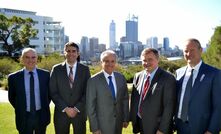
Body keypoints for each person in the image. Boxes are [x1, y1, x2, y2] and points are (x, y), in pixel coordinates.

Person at [175, 38, 221, 134]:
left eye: (192, 50)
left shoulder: (214, 73)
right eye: (186, 51)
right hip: (180, 127)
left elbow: (218, 106)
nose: (188, 54)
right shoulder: (178, 73)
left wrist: (212, 130)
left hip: (202, 128)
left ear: (200, 50)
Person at [130, 48, 176, 134]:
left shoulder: (168, 78)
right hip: (140, 124)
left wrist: (162, 129)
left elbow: (169, 107)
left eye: (150, 59)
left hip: (158, 127)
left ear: (157, 60)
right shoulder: (138, 76)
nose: (146, 63)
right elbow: (134, 100)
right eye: (144, 60)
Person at [49, 42, 90, 134]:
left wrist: (76, 108)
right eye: (68, 51)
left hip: (79, 114)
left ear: (78, 53)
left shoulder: (85, 69)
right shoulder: (56, 69)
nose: (71, 53)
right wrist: (65, 108)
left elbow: (87, 92)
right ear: (64, 53)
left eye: (73, 51)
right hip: (61, 114)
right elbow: (53, 91)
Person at [8, 48, 51, 134]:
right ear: (22, 59)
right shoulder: (13, 77)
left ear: (37, 59)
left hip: (41, 116)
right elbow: (12, 98)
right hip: (24, 117)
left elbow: (49, 95)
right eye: (27, 57)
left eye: (33, 57)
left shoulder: (46, 75)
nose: (30, 60)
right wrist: (21, 108)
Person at [86, 50, 129, 134]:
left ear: (115, 62)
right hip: (102, 125)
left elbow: (125, 99)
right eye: (106, 61)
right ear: (101, 62)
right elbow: (90, 106)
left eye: (112, 61)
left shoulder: (121, 78)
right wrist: (95, 128)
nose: (110, 64)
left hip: (118, 123)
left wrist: (126, 118)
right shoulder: (93, 80)